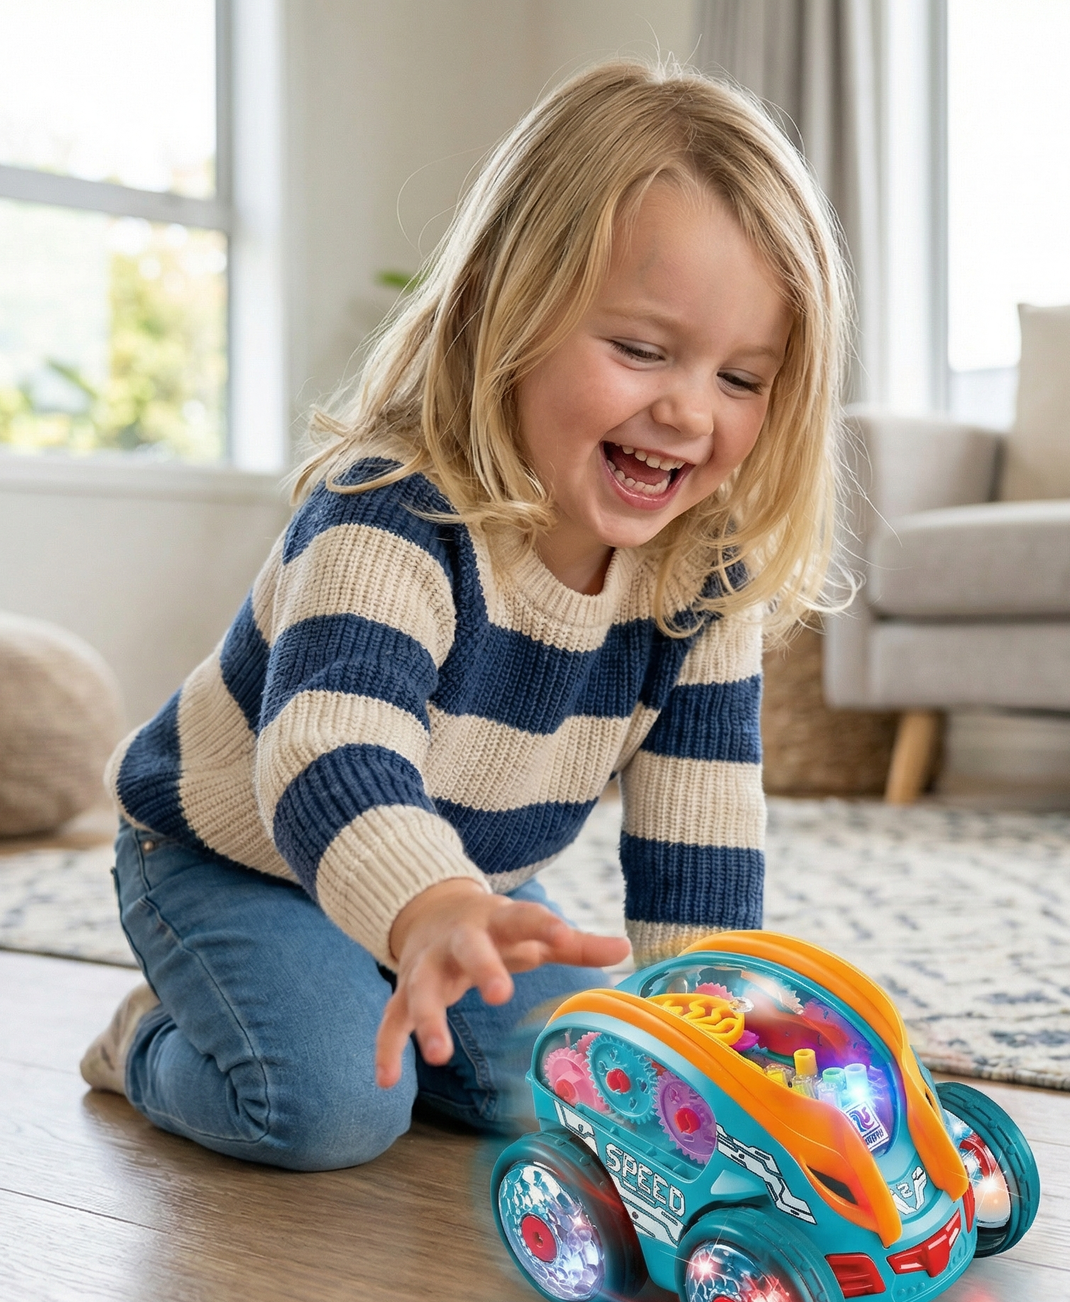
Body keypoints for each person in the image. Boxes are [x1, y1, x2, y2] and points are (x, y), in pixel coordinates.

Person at [79, 57, 850, 1171]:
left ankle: (400, 994)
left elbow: (702, 838)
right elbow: (328, 751)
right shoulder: (392, 510)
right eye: (640, 350)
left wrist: (712, 1032)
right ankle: (148, 1037)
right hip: (236, 860)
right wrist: (426, 901)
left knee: (580, 1086)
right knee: (331, 1108)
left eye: (742, 378)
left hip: (466, 890)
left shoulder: (701, 576)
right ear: (503, 302)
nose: (687, 408)